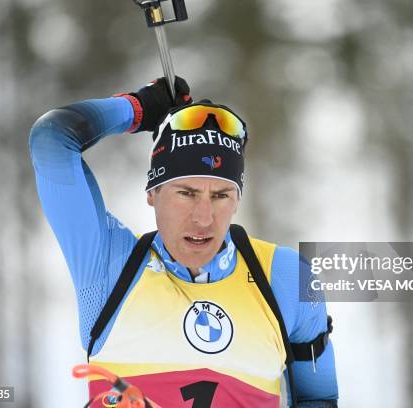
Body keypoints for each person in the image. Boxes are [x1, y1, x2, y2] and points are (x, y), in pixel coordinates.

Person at [29, 77, 338, 407]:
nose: (203, 218)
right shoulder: (110, 267)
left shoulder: (286, 278)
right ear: (152, 193)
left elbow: (318, 398)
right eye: (186, 193)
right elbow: (52, 138)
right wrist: (137, 109)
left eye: (221, 195)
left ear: (237, 199)